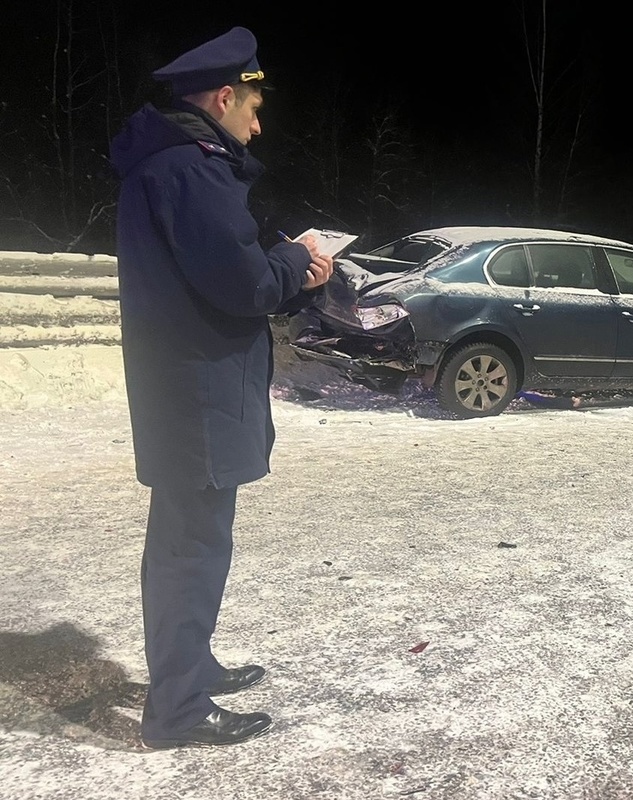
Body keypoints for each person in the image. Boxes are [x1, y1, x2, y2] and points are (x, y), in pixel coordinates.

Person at [109, 26, 334, 749]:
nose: (258, 124)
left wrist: (281, 266)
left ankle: (189, 665)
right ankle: (176, 709)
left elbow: (220, 267)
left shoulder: (174, 165)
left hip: (186, 387)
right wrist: (298, 265)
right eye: (253, 108)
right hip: (196, 392)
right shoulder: (192, 168)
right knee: (191, 549)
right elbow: (239, 283)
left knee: (188, 542)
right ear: (224, 95)